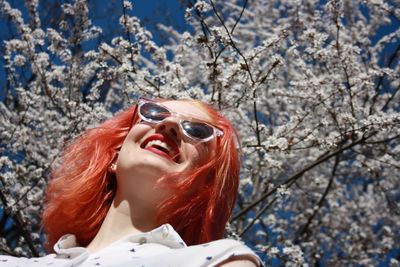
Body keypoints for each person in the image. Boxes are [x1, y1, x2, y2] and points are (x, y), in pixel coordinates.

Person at [0, 98, 263, 266]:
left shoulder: (221, 260)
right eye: (154, 113)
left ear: (205, 184)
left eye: (197, 130)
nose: (169, 123)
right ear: (113, 158)